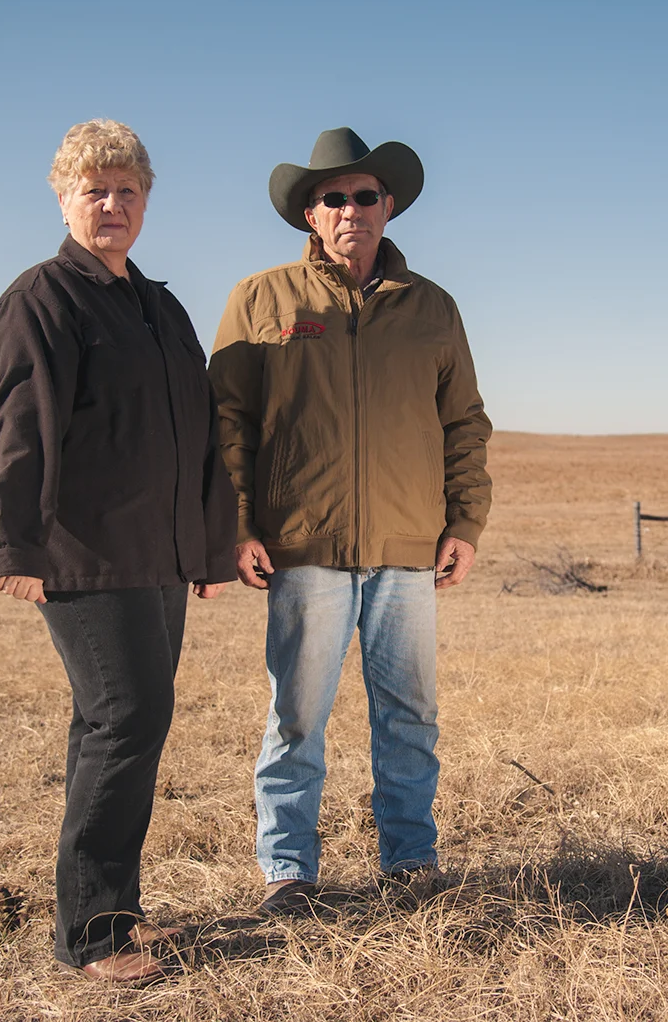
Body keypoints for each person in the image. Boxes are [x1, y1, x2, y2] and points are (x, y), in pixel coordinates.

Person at [208, 127, 492, 913]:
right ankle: (289, 873)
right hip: (305, 548)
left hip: (409, 550)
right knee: (295, 718)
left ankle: (410, 866)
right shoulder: (260, 300)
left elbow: (464, 422)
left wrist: (463, 523)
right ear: (309, 213)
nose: (349, 209)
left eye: (364, 195)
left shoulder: (431, 308)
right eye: (331, 197)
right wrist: (239, 524)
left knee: (408, 718)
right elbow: (227, 423)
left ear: (388, 205)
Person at [0, 119, 236, 982]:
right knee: (127, 721)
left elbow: (197, 433)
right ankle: (92, 937)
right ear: (63, 197)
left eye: (128, 191)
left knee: (115, 726)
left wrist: (206, 550)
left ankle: (112, 911)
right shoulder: (41, 298)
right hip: (84, 556)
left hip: (157, 556)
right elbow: (21, 427)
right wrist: (15, 542)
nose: (113, 205)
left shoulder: (159, 306)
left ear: (146, 201)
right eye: (95, 190)